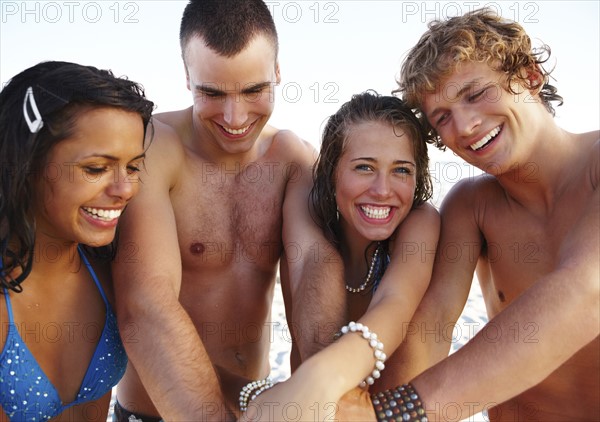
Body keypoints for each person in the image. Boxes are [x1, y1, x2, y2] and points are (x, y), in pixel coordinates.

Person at [339, 8, 599, 422]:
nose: (465, 126)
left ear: (530, 76)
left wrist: (389, 414)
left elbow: (587, 291)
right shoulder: (471, 206)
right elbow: (431, 326)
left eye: (475, 94)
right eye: (442, 117)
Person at [111, 0, 348, 420]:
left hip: (250, 408)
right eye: (212, 93)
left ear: (277, 73)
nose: (235, 116)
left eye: (254, 90)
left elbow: (313, 265)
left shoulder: (292, 159)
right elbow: (146, 304)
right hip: (156, 412)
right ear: (187, 79)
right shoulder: (153, 149)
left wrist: (318, 397)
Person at [241, 90, 440, 421]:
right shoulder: (309, 225)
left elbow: (396, 301)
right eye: (364, 167)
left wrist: (321, 380)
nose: (382, 189)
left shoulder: (420, 224)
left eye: (401, 171)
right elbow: (313, 336)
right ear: (332, 174)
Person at [0, 61, 154, 421]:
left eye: (133, 167)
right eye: (96, 169)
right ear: (27, 163)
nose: (125, 190)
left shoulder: (110, 267)